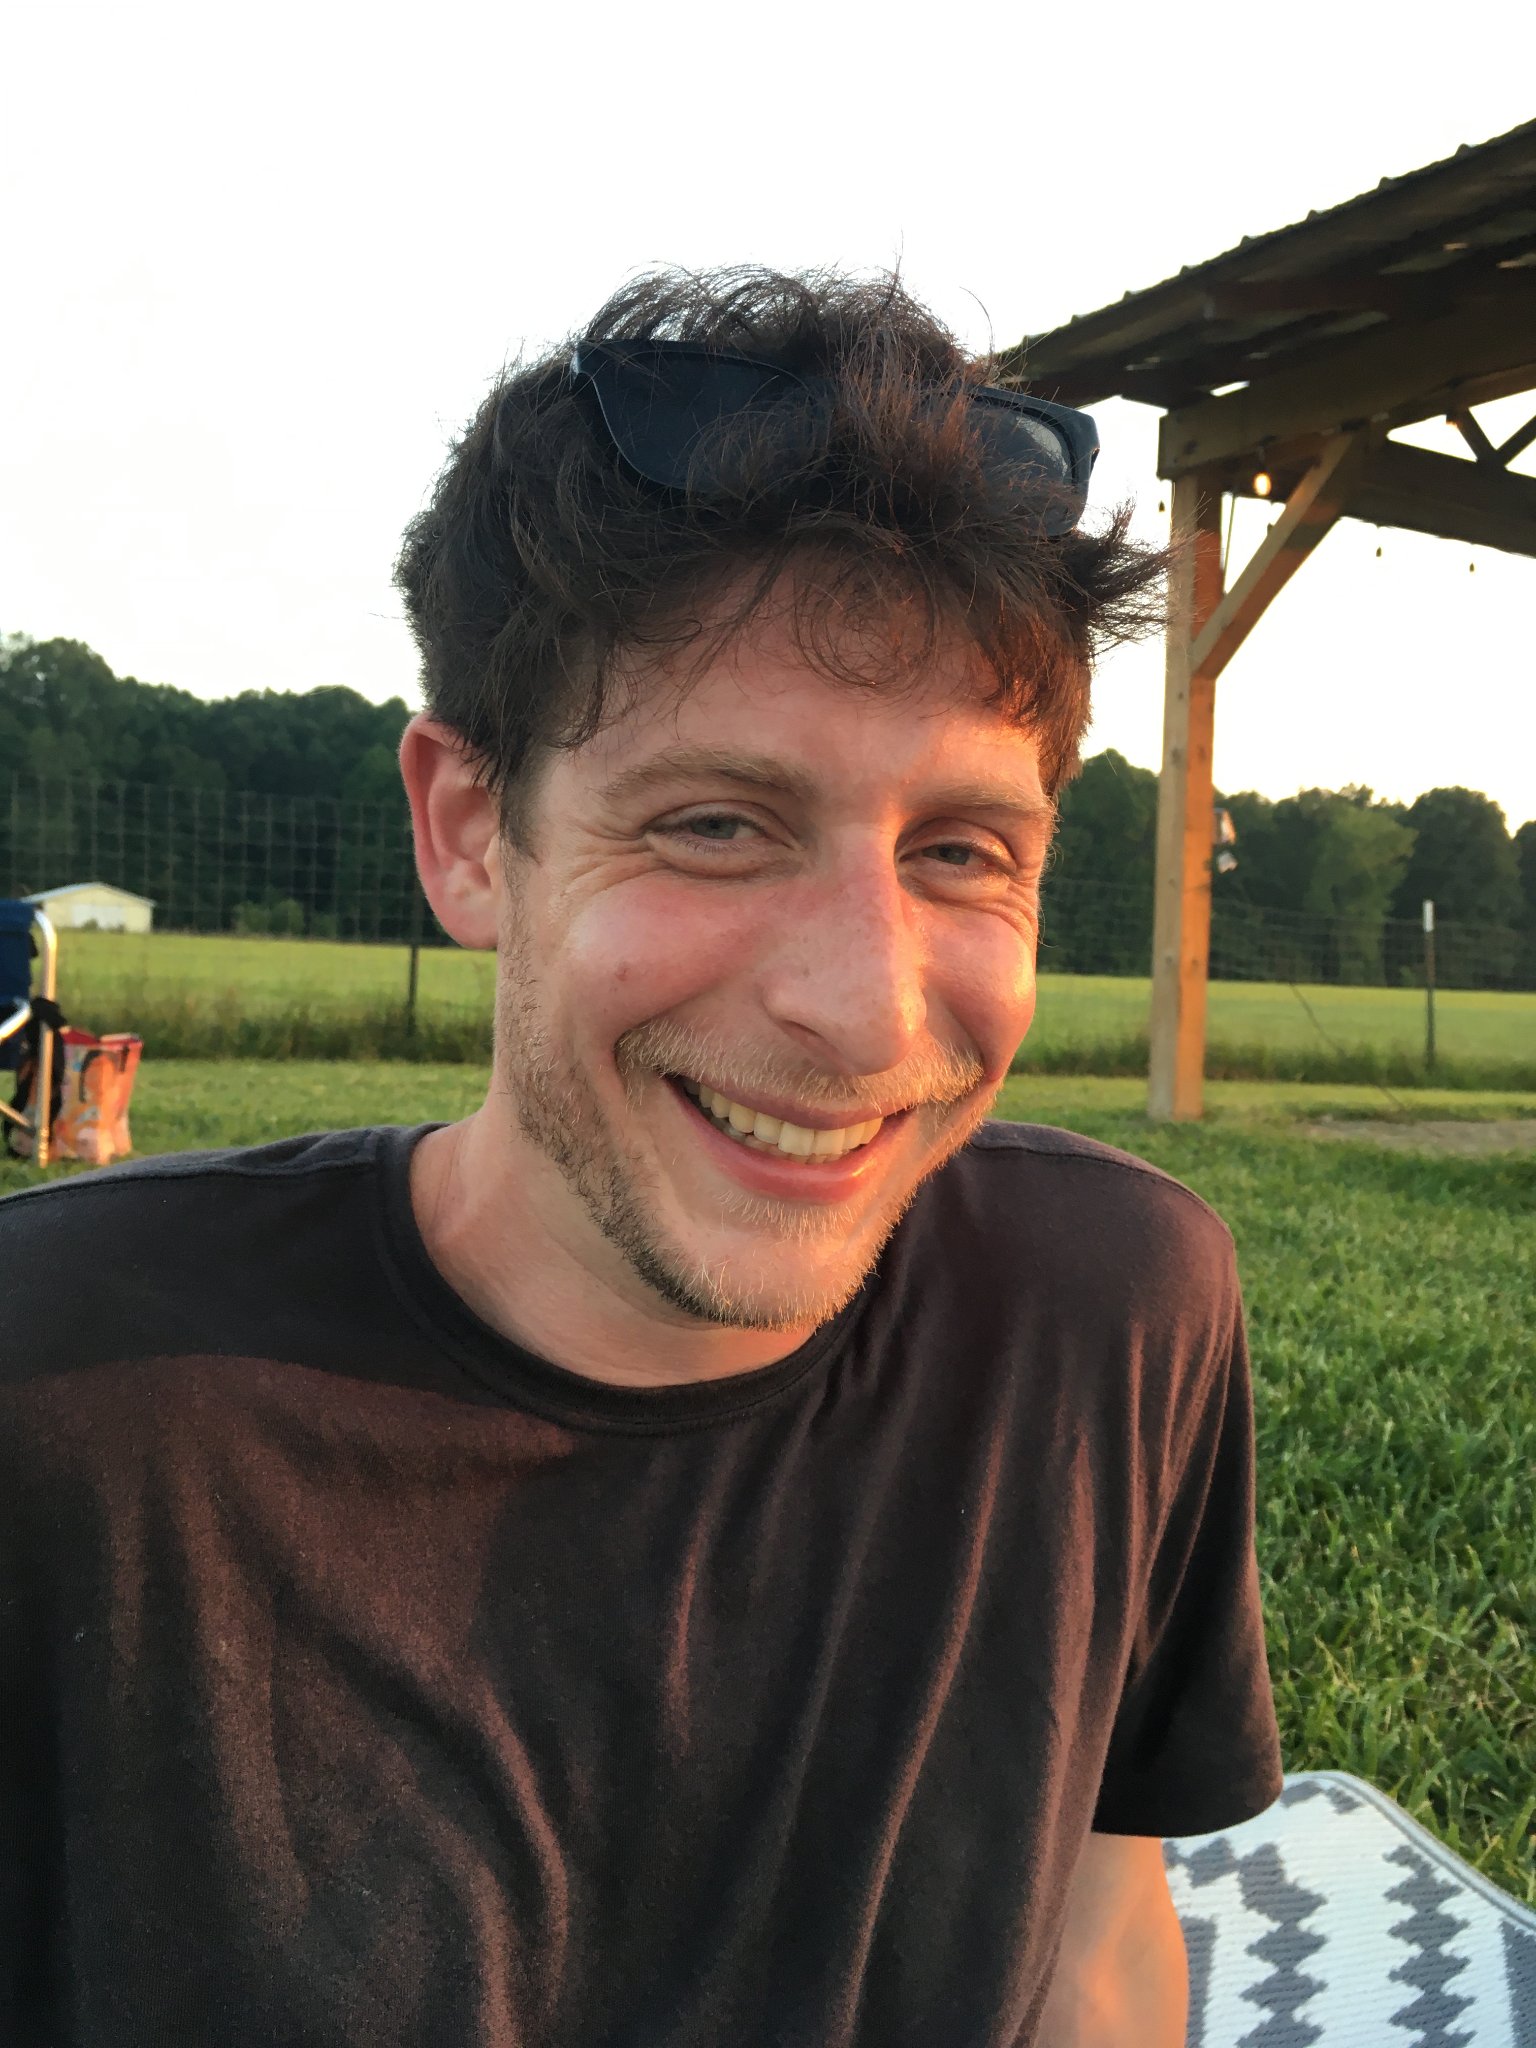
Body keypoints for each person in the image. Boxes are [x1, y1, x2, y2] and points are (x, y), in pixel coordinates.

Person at [0, 268, 1283, 2047]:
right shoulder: (65, 1388)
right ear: (469, 834)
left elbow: (1089, 1925)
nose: (861, 1004)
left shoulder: (1107, 1317)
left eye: (964, 849)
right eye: (715, 824)